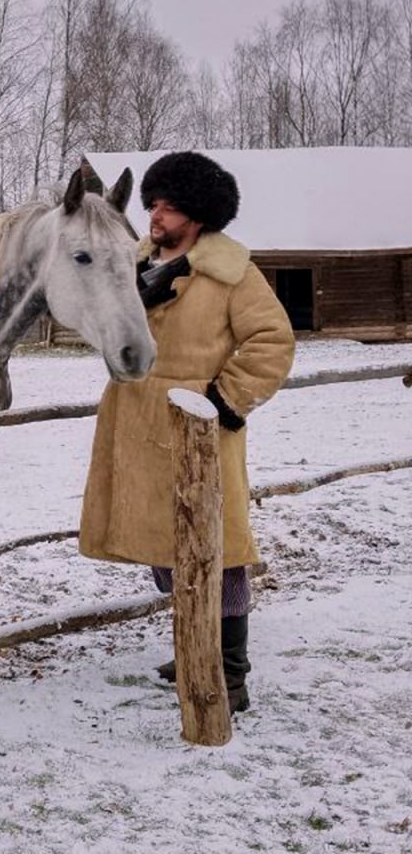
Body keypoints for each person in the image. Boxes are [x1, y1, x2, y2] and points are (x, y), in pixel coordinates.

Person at [79, 150, 295, 713]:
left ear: (197, 214)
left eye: (168, 207)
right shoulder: (135, 264)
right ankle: (190, 646)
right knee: (167, 550)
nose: (155, 214)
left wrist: (222, 402)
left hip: (200, 431)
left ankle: (230, 672)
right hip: (138, 427)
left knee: (218, 552)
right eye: (153, 203)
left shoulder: (232, 273)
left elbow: (274, 342)